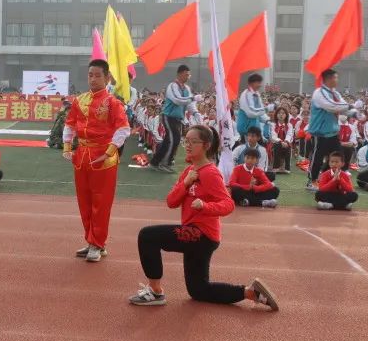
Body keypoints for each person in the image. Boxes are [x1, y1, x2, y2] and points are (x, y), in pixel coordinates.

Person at [128, 125, 279, 310]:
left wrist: (205, 206)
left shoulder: (211, 172)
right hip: (193, 234)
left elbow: (228, 204)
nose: (188, 145)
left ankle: (155, 290)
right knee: (198, 290)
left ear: (206, 145)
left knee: (148, 236)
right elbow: (171, 202)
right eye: (186, 141)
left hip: (202, 234)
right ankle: (250, 292)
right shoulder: (189, 172)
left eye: (193, 142)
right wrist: (186, 183)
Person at [63, 59, 131, 263]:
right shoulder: (79, 100)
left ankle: (98, 243)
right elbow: (70, 124)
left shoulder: (112, 103)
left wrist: (109, 151)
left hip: (103, 158)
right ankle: (91, 240)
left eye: (97, 75)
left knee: (101, 202)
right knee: (84, 201)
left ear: (107, 77)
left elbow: (123, 129)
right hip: (82, 156)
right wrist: (67, 147)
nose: (93, 79)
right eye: (90, 75)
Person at [306, 68, 354, 189]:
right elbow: (331, 107)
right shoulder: (319, 93)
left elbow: (343, 107)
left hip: (332, 132)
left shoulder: (335, 94)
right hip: (320, 133)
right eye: (335, 77)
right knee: (317, 158)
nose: (337, 80)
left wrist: (355, 113)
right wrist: (350, 106)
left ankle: (332, 178)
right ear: (328, 79)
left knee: (338, 157)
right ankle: (312, 181)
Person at [151, 64, 193, 172]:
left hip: (178, 118)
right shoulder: (172, 86)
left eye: (189, 75)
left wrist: (196, 113)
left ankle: (155, 162)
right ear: (179, 74)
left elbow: (189, 104)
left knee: (168, 140)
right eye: (186, 74)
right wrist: (192, 98)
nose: (188, 77)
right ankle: (165, 163)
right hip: (168, 116)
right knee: (173, 139)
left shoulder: (187, 88)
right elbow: (177, 100)